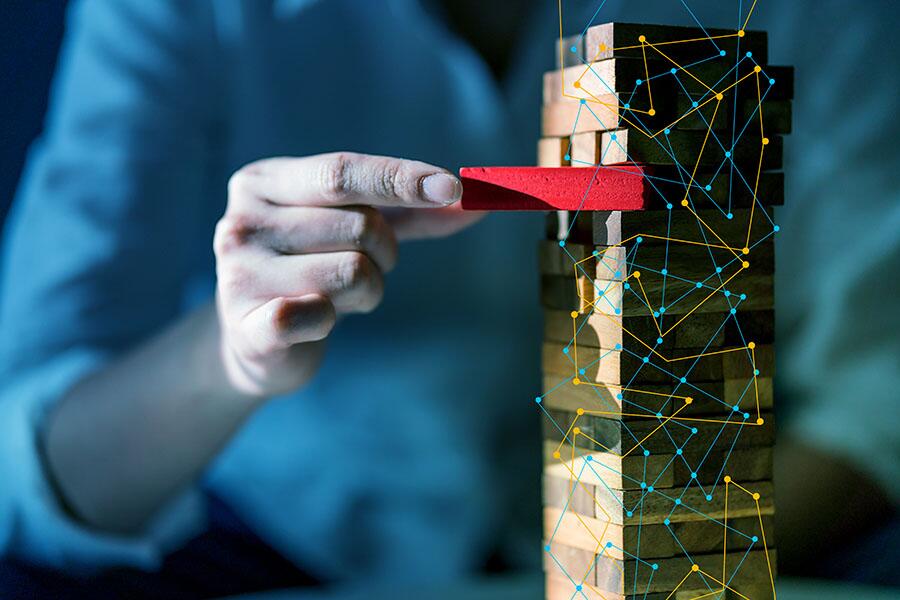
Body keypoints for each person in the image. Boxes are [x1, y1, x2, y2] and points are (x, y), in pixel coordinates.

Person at [0, 0, 897, 597]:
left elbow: (875, 392)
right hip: (275, 540)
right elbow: (32, 473)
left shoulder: (771, 17)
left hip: (694, 533)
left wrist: (656, 566)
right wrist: (228, 356)